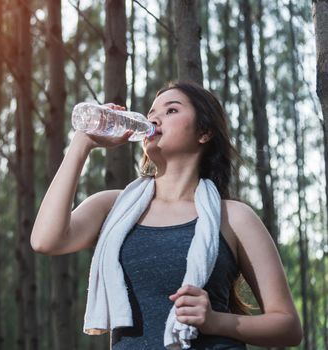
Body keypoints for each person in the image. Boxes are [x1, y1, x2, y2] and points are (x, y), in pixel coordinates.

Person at [30, 81, 302, 349]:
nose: (154, 119)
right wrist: (81, 143)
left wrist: (216, 321)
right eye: (151, 114)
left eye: (171, 110)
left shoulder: (233, 217)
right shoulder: (114, 207)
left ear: (204, 132)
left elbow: (288, 327)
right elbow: (46, 240)